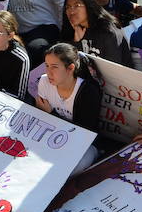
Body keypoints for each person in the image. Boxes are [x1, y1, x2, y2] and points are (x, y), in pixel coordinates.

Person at [35, 43, 104, 172]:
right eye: (47, 66)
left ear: (70, 68)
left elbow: (84, 132)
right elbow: (41, 118)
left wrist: (51, 113)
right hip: (51, 139)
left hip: (84, 145)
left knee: (65, 171)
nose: (48, 72)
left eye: (54, 67)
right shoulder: (44, 82)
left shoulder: (88, 91)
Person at [60, 0, 129, 64]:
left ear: (89, 5)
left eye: (77, 6)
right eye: (68, 7)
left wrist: (78, 47)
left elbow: (112, 70)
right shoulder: (72, 29)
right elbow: (66, 64)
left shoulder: (108, 31)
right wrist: (76, 43)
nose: (71, 12)